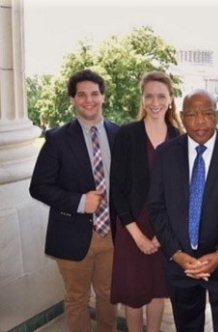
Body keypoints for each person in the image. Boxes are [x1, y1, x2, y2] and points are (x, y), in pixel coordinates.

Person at [149, 89, 218, 331]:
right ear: (181, 116)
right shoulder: (165, 154)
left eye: (208, 114)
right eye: (192, 114)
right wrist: (176, 253)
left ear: (217, 116)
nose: (200, 122)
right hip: (181, 266)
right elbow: (156, 208)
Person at [29, 69, 119, 332]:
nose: (88, 100)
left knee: (109, 296)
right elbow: (39, 187)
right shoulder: (57, 139)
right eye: (81, 95)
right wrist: (80, 202)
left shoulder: (119, 134)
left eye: (94, 93)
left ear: (103, 96)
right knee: (77, 300)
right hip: (72, 233)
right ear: (72, 99)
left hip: (113, 235)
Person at [109, 71, 182, 332]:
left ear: (171, 99)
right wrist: (138, 236)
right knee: (133, 296)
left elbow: (181, 192)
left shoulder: (179, 138)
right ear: (142, 99)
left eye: (161, 96)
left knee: (157, 291)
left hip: (166, 227)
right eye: (149, 96)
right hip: (131, 227)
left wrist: (163, 235)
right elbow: (116, 190)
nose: (155, 102)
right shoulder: (127, 134)